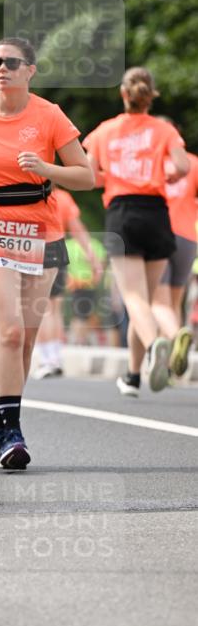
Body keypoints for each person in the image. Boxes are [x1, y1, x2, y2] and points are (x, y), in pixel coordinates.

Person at [0, 37, 93, 469]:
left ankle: (0, 423)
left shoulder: (49, 116)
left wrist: (47, 169)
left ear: (30, 70)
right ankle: (11, 428)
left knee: (27, 337)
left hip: (42, 233)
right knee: (10, 330)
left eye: (11, 62)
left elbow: (85, 176)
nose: (1, 69)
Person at [84, 68, 189, 397]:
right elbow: (183, 166)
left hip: (123, 212)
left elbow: (89, 175)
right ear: (150, 95)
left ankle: (154, 343)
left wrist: (113, 176)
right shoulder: (163, 130)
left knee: (133, 297)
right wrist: (167, 174)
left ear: (123, 94)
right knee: (149, 297)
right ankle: (134, 373)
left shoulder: (105, 131)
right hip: (157, 212)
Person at [33, 188, 104, 378]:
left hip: (35, 248)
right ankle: (55, 357)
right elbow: (78, 230)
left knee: (41, 309)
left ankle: (46, 359)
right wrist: (94, 261)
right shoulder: (62, 197)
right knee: (54, 308)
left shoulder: (30, 194)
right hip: (57, 249)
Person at [151, 119, 198, 378]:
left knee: (158, 302)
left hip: (158, 234)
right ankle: (169, 364)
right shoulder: (192, 163)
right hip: (188, 238)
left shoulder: (151, 161)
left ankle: (173, 338)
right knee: (174, 303)